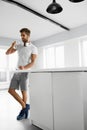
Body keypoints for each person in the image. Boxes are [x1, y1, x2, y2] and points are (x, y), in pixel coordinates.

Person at [6, 28, 38, 120]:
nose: (21, 37)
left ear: (28, 35)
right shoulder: (19, 46)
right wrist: (12, 46)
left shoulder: (33, 48)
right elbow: (7, 53)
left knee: (23, 91)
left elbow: (33, 62)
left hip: (25, 72)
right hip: (17, 71)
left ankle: (23, 111)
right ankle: (25, 106)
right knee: (11, 90)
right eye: (21, 35)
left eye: (23, 35)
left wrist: (24, 68)